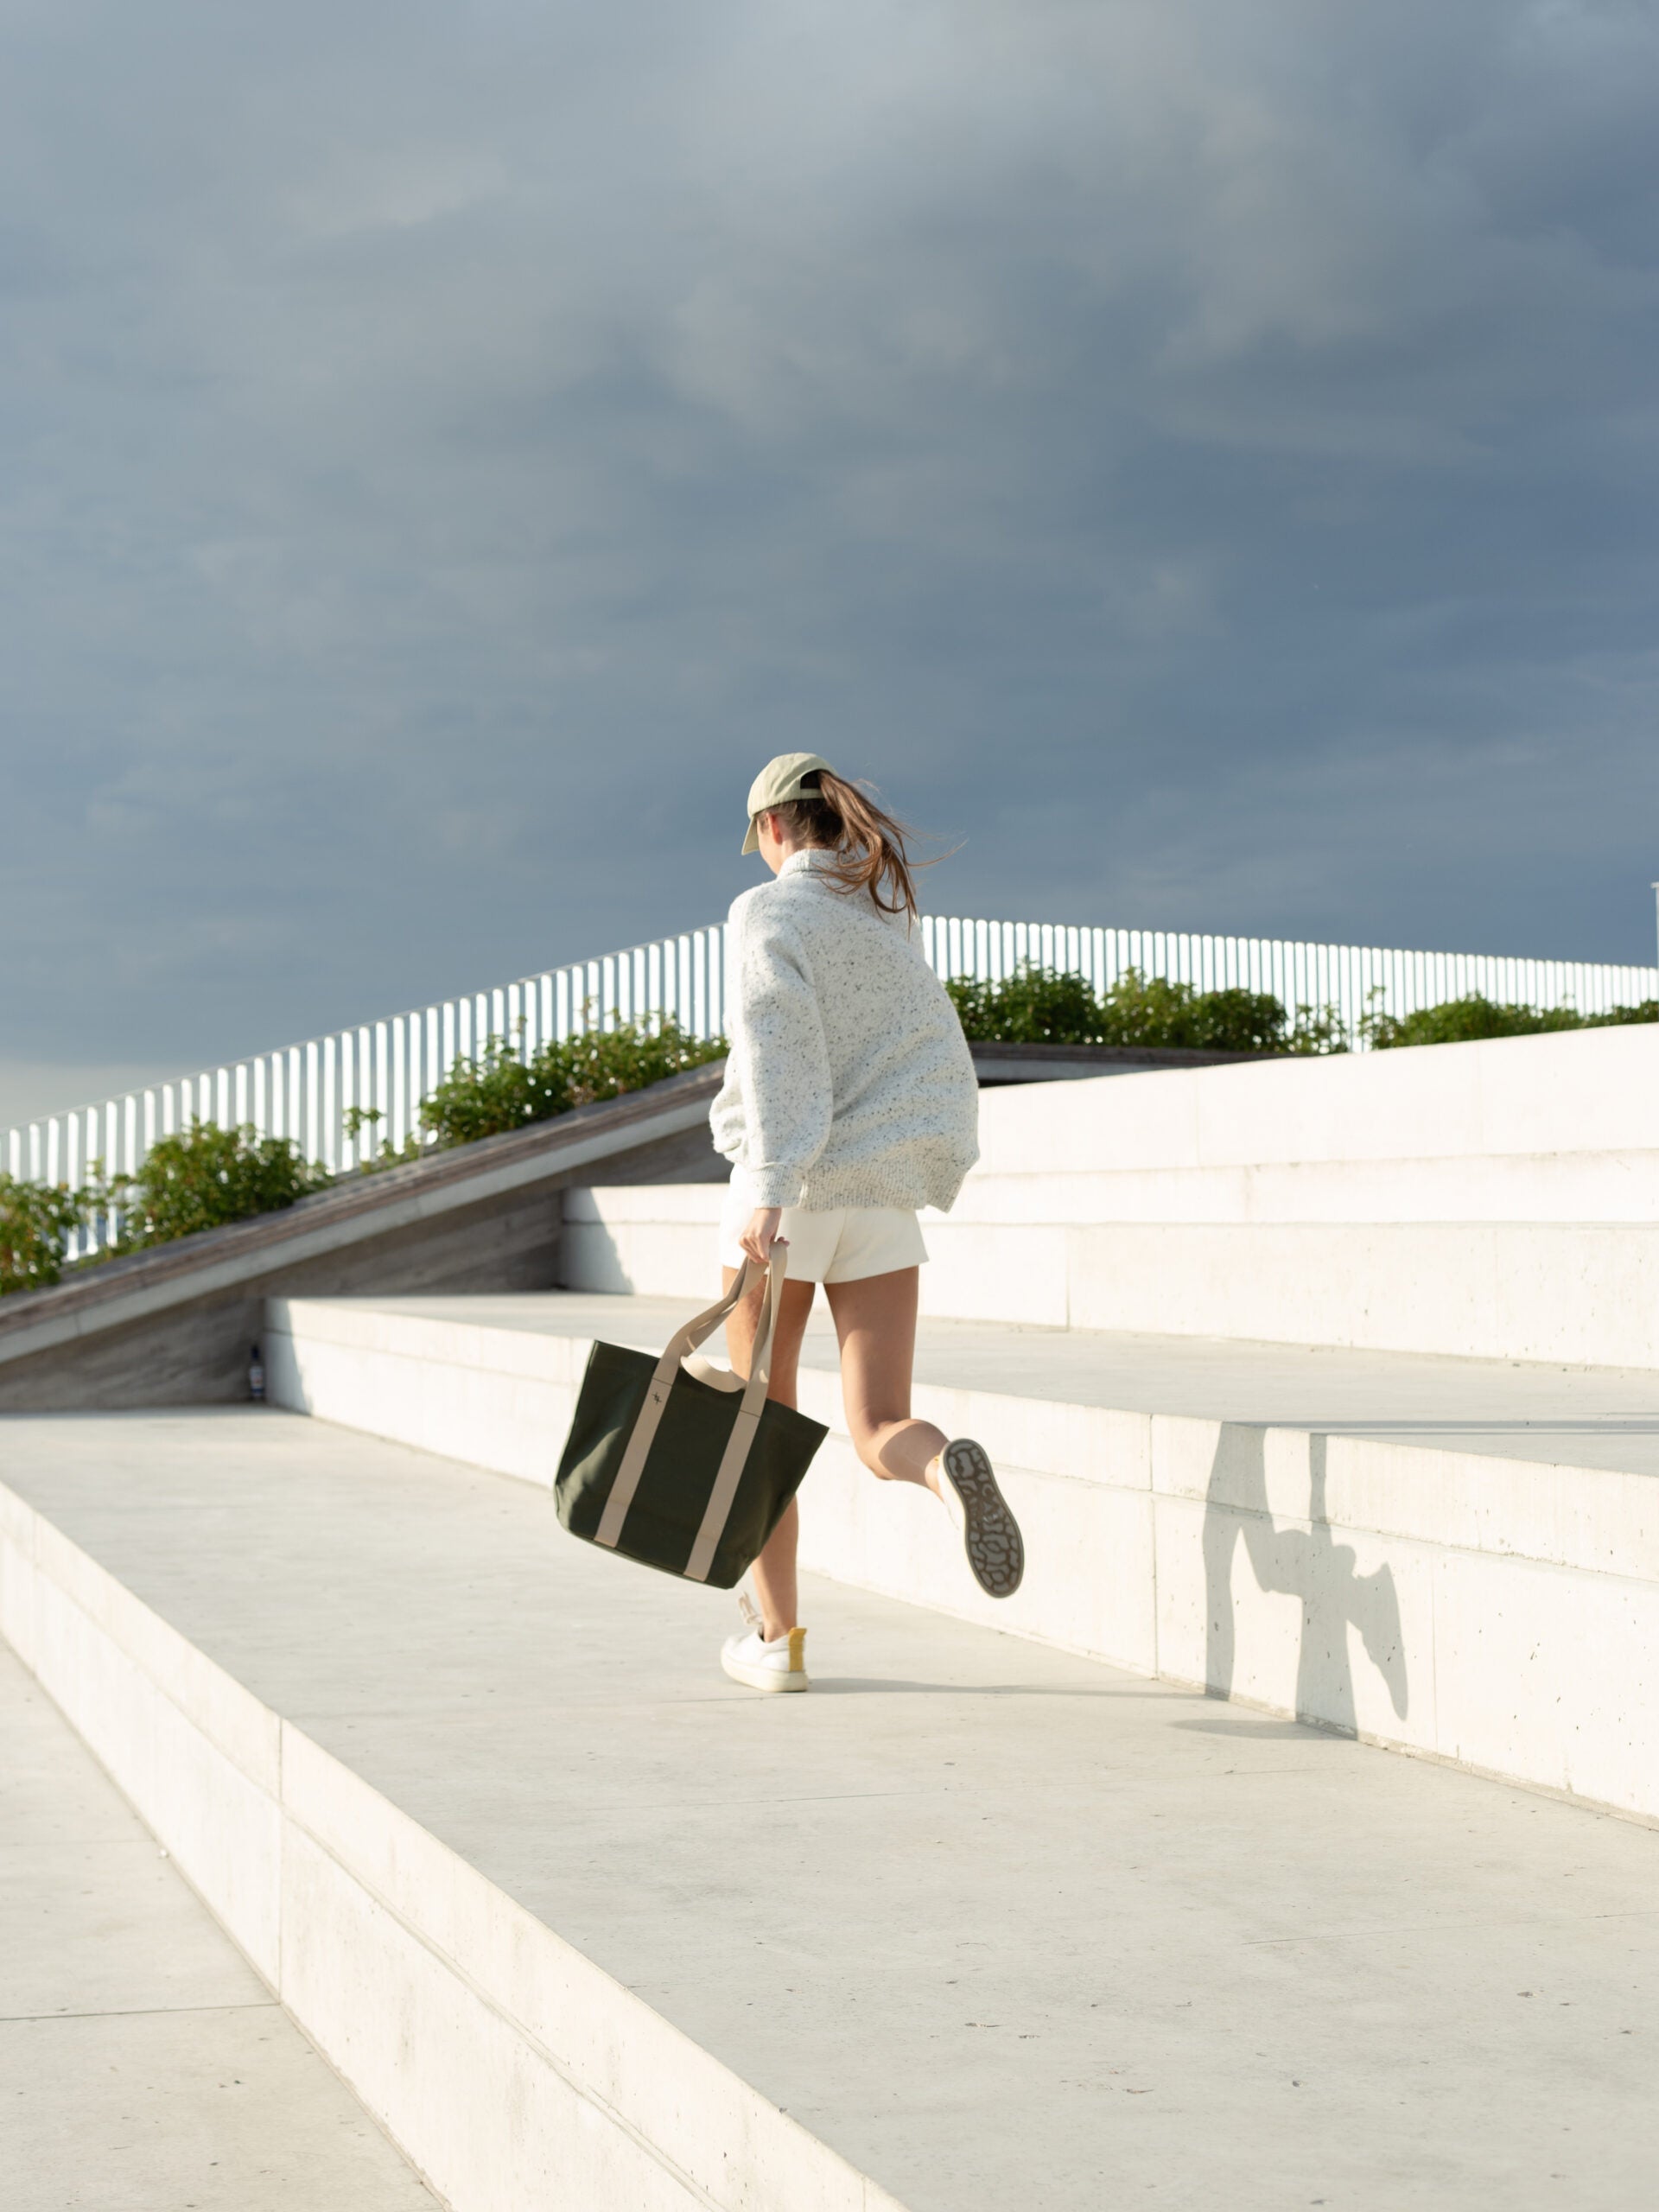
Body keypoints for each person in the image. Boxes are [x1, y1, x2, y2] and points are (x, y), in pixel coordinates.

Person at [709, 751, 1025, 1694]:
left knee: (760, 1428)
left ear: (771, 830)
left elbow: (776, 1040)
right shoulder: (890, 920)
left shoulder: (765, 911)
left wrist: (770, 1182)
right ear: (835, 824)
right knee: (881, 1421)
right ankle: (942, 1469)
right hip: (882, 1201)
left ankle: (776, 1644)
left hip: (791, 1195)